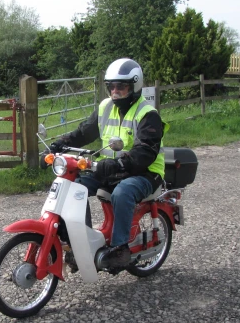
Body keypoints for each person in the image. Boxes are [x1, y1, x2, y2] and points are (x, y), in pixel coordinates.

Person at [49, 58, 166, 268]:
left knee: (123, 192)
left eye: (121, 86)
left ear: (135, 86)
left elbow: (145, 152)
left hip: (145, 172)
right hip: (110, 169)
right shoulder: (105, 107)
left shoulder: (148, 114)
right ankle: (79, 241)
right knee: (73, 186)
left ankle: (120, 248)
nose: (115, 91)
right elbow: (85, 132)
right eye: (111, 86)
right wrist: (60, 144)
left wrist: (121, 164)